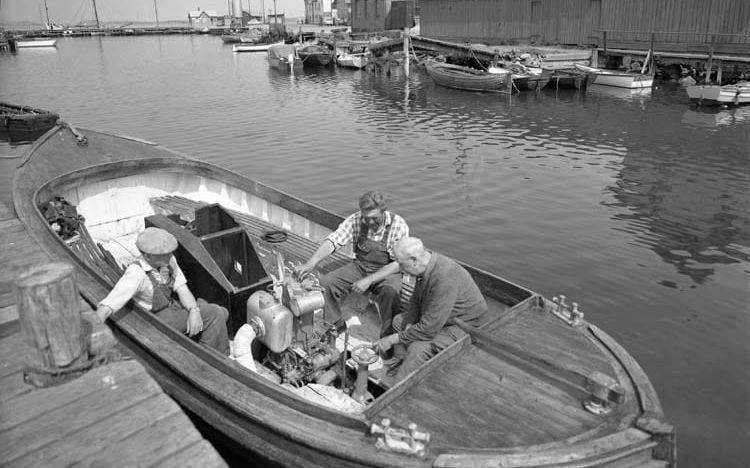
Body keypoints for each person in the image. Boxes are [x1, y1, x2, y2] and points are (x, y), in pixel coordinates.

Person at [95, 227, 230, 355]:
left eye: (170, 252)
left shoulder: (168, 260)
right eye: (163, 254)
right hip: (155, 321)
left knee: (222, 311)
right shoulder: (136, 274)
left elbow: (182, 289)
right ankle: (215, 357)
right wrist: (93, 331)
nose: (170, 256)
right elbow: (109, 305)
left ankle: (203, 347)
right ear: (147, 256)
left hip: (171, 306)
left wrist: (194, 311)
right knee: (214, 313)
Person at [294, 191, 409, 337]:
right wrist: (311, 263)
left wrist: (369, 280)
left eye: (375, 218)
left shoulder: (398, 225)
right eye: (367, 219)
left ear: (384, 211)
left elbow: (400, 263)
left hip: (388, 271)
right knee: (327, 282)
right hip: (360, 266)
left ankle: (388, 334)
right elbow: (334, 241)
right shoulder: (356, 219)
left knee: (390, 293)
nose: (370, 222)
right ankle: (335, 325)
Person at [374, 237, 488, 384]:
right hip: (443, 318)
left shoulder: (444, 278)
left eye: (401, 264)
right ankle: (411, 365)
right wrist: (408, 325)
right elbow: (415, 301)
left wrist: (392, 339)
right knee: (399, 322)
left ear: (414, 260)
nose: (400, 269)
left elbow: (428, 330)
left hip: (465, 326)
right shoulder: (426, 266)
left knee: (418, 348)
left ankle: (398, 390)